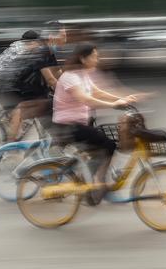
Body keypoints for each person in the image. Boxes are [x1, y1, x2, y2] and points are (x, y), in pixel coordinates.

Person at [51, 43, 139, 202]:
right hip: (68, 126)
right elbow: (85, 98)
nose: (97, 60)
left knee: (99, 147)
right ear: (83, 58)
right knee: (109, 145)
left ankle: (87, 183)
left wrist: (120, 99)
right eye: (94, 56)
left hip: (79, 123)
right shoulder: (70, 76)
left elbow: (97, 92)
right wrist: (113, 105)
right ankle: (99, 183)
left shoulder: (82, 74)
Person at [6, 25, 65, 141]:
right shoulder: (39, 53)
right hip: (22, 88)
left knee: (45, 109)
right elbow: (50, 79)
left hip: (36, 88)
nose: (64, 39)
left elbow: (57, 71)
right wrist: (63, 91)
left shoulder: (48, 52)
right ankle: (9, 145)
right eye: (62, 36)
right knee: (42, 109)